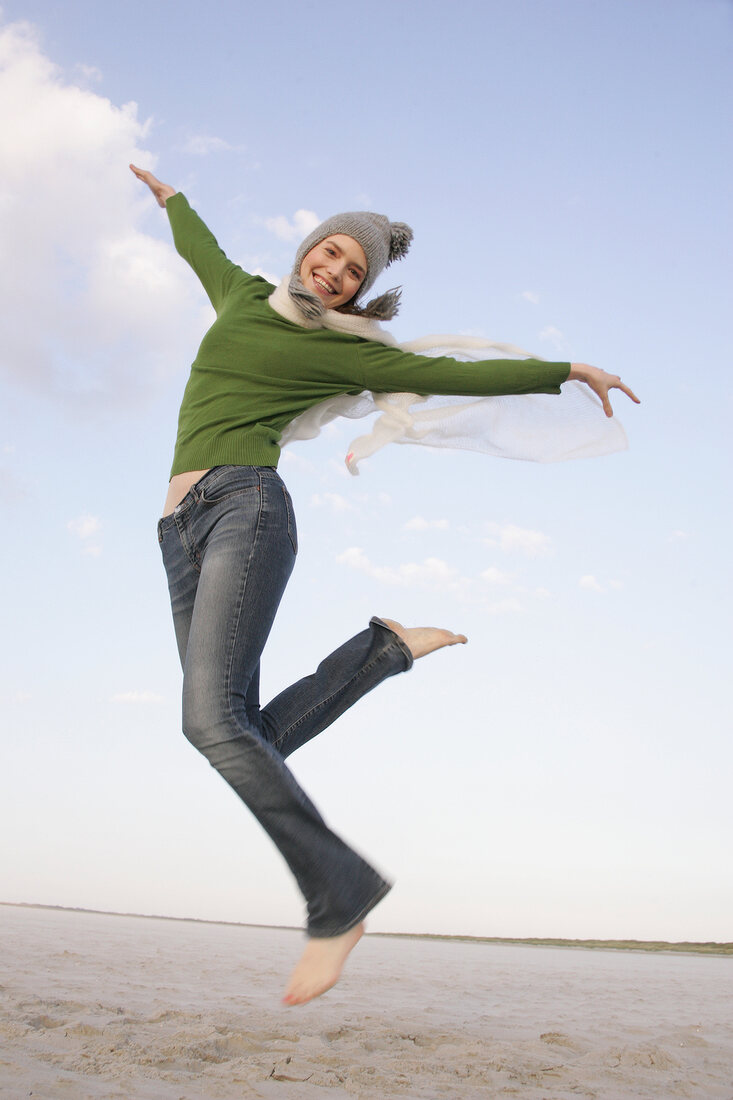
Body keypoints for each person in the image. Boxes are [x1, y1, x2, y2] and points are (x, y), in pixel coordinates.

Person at [130, 164, 639, 1006]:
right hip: (176, 531)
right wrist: (173, 202)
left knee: (210, 722)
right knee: (239, 734)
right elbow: (202, 250)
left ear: (359, 289)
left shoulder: (343, 349)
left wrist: (564, 368)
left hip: (243, 508)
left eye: (353, 271)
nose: (334, 272)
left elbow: (454, 377)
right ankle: (383, 651)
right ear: (306, 249)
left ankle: (339, 899)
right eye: (330, 253)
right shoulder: (242, 297)